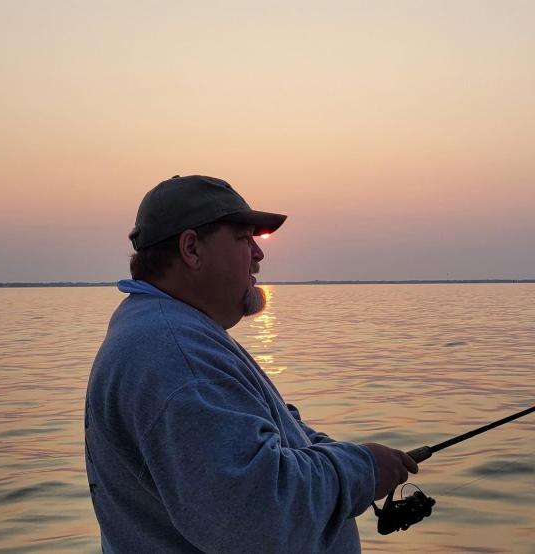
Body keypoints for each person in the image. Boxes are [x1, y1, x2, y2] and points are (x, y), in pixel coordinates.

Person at [84, 175, 418, 553]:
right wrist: (362, 471)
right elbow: (260, 516)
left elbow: (273, 433)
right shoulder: (177, 357)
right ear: (191, 249)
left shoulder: (173, 333)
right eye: (244, 238)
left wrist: (347, 457)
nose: (259, 255)